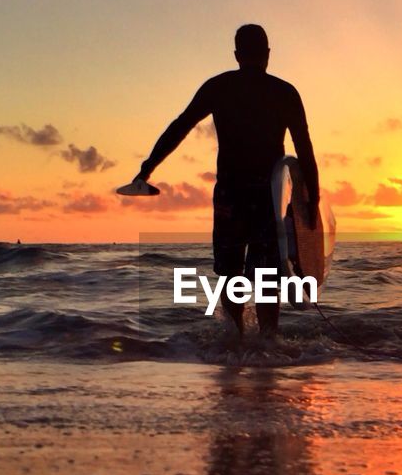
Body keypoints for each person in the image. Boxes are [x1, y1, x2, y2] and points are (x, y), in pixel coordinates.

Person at [129, 24, 319, 338]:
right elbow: (304, 150)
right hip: (268, 198)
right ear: (268, 55)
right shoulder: (285, 92)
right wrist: (313, 199)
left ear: (236, 54)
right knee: (268, 275)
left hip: (230, 194)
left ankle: (235, 342)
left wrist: (147, 168)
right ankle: (268, 344)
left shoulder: (219, 87)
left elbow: (180, 127)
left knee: (231, 274)